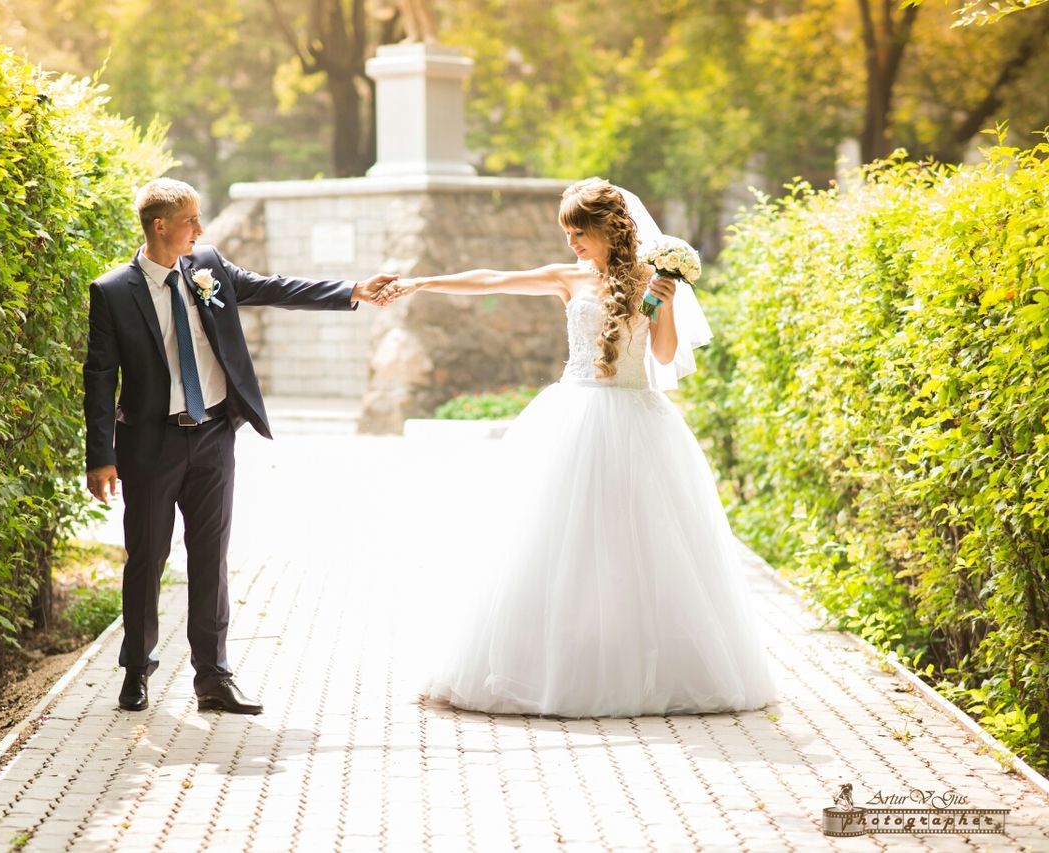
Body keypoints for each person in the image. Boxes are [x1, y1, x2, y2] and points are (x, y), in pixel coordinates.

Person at [377, 178, 777, 717]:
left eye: (578, 233)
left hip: (637, 422)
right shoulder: (569, 278)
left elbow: (663, 356)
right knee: (550, 543)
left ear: (605, 228)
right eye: (567, 234)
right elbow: (495, 280)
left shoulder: (651, 279)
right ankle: (551, 664)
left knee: (633, 549)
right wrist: (423, 282)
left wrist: (663, 301)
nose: (572, 244)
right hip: (572, 419)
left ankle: (636, 667)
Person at [83, 178, 396, 715]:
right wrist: (101, 455)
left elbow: (275, 288)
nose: (200, 230)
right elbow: (98, 376)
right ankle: (136, 671)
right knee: (147, 560)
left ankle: (214, 679)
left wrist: (352, 290)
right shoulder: (112, 292)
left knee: (211, 558)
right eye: (190, 221)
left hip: (213, 439)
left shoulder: (207, 266)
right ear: (160, 226)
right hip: (150, 445)